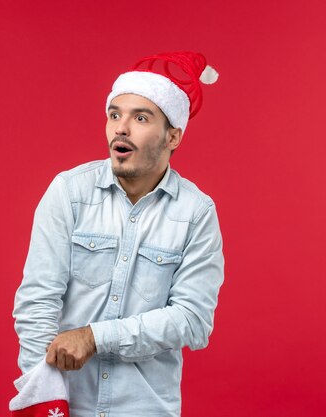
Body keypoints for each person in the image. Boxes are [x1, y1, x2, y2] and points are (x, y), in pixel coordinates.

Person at [12, 51, 224, 417]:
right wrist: (45, 398)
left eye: (140, 118)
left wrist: (95, 337)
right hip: (67, 406)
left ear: (173, 136)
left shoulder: (196, 213)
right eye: (114, 115)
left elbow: (192, 320)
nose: (120, 129)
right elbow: (37, 302)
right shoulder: (69, 192)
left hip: (146, 409)